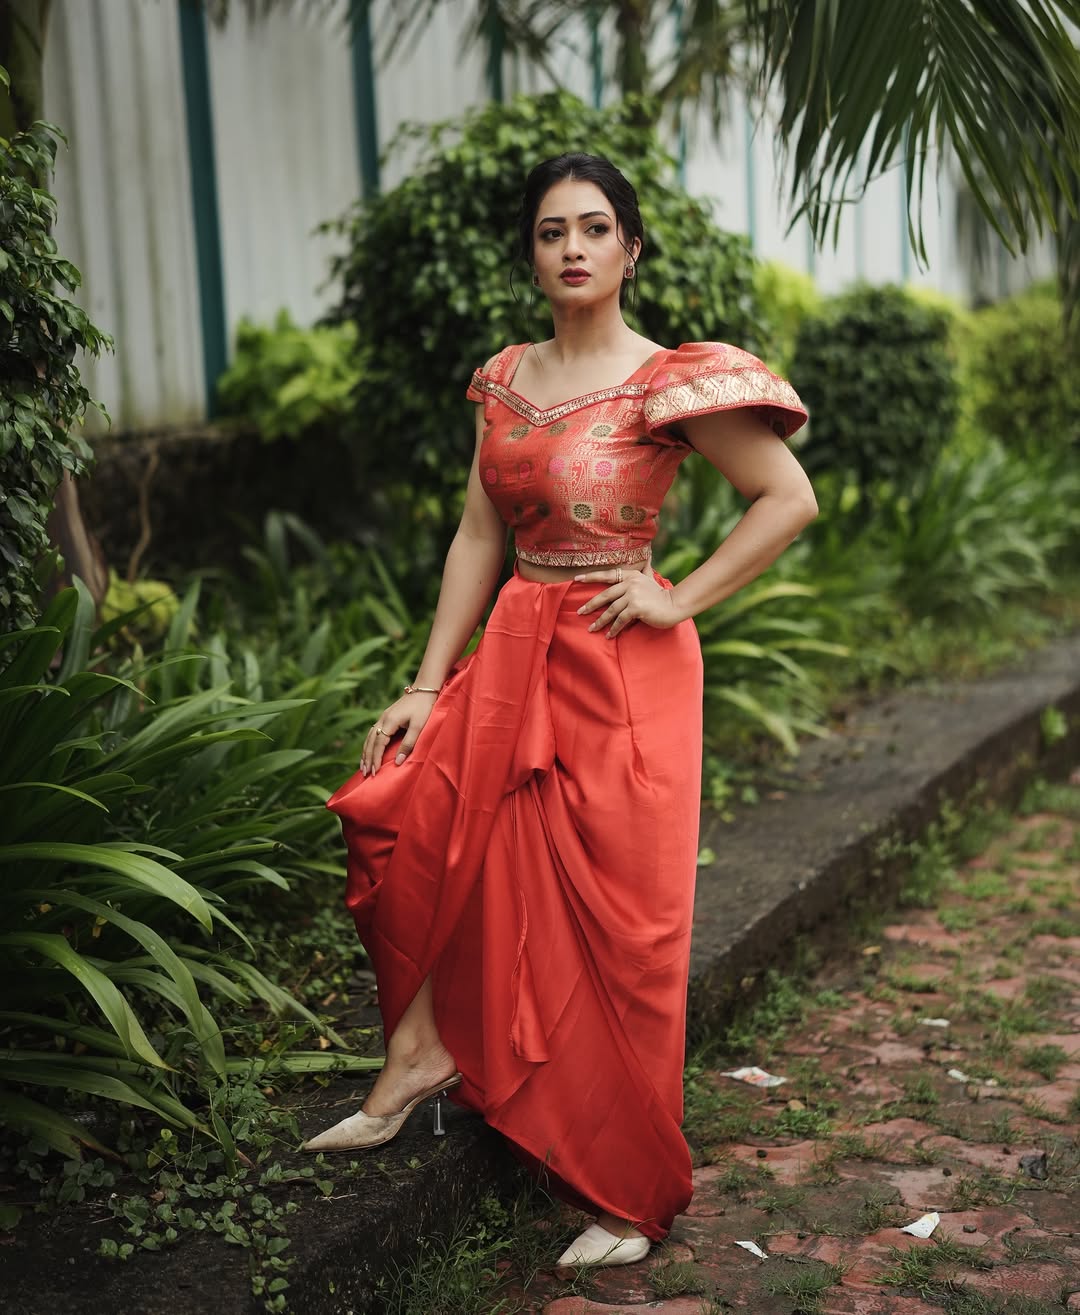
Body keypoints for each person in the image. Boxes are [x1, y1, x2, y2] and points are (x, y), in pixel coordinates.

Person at [303, 153, 817, 1268]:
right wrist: (427, 680)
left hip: (625, 670)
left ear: (632, 248)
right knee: (432, 830)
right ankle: (421, 1054)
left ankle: (627, 1188)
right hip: (516, 650)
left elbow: (788, 498)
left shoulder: (666, 382)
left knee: (626, 927)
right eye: (551, 231)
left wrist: (677, 591)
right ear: (530, 252)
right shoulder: (501, 378)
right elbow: (478, 536)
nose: (573, 247)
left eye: (595, 228)